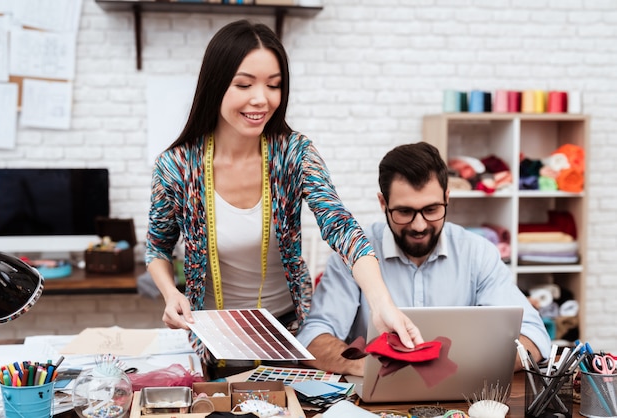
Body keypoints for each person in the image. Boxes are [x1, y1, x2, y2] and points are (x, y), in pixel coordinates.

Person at [145, 19, 423, 372]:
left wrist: (381, 302)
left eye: (274, 85)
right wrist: (172, 295)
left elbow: (340, 225)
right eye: (244, 84)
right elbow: (157, 248)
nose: (261, 99)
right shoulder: (177, 166)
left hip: (289, 331)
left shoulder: (295, 154)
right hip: (213, 337)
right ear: (215, 86)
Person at [296, 142, 552, 376]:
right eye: (405, 212)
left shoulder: (477, 253)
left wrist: (469, 368)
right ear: (383, 203)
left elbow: (534, 336)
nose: (419, 226)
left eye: (431, 210)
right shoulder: (352, 254)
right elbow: (313, 338)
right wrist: (364, 367)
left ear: (447, 198)